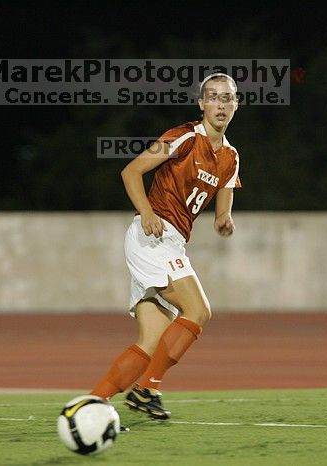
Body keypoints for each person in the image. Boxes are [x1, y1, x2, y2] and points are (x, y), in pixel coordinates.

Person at [90, 73, 241, 420]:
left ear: (236, 105)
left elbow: (225, 192)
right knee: (199, 311)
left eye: (227, 98)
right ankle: (147, 390)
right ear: (201, 104)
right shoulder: (184, 136)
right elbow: (131, 172)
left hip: (171, 242)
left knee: (152, 339)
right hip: (153, 237)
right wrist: (146, 212)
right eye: (214, 97)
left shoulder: (231, 156)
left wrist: (224, 218)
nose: (221, 104)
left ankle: (91, 403)